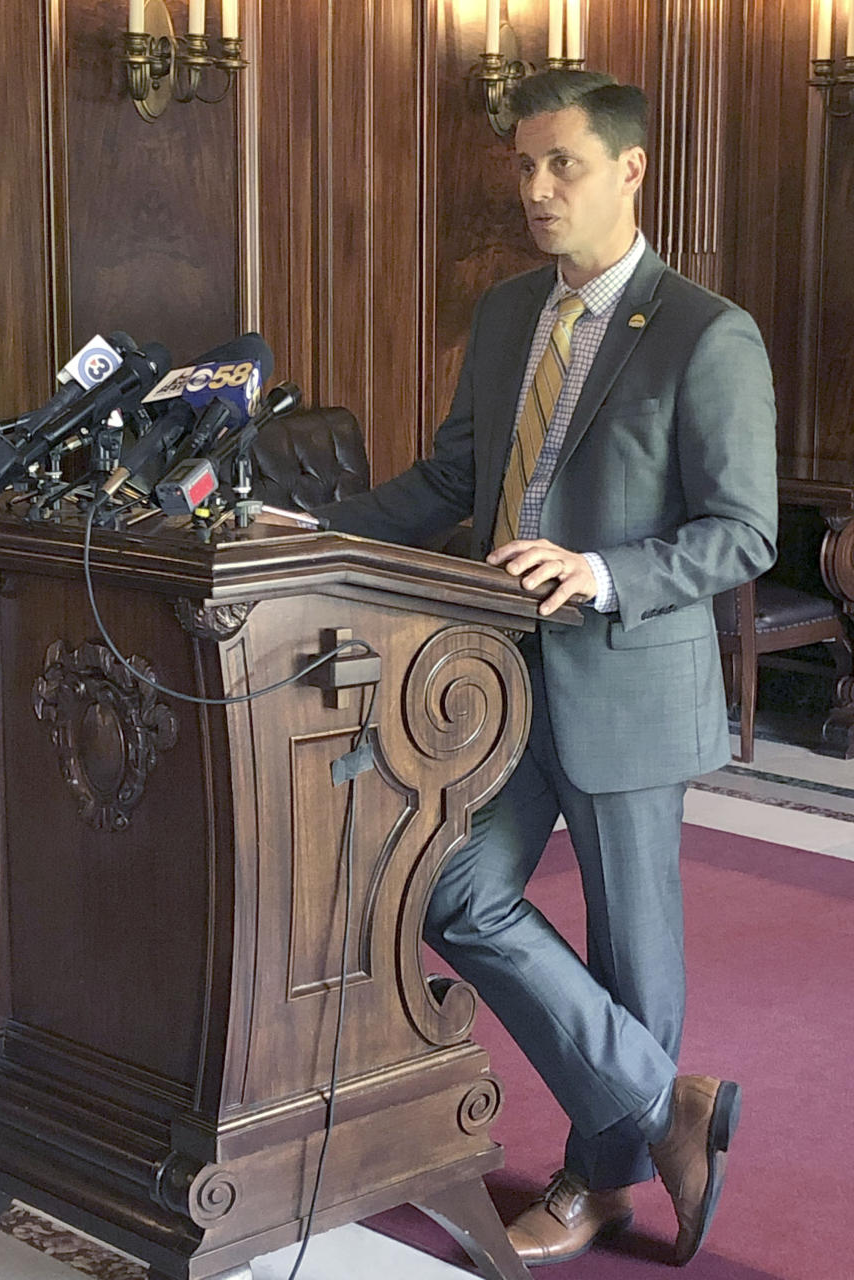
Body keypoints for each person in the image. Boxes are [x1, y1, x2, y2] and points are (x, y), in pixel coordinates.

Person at [314, 69, 778, 1267]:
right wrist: (316, 533)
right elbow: (452, 482)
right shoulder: (512, 313)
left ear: (630, 170)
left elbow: (744, 531)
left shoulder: (706, 331)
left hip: (627, 676)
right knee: (446, 887)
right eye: (523, 165)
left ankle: (596, 1180)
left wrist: (604, 568)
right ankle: (663, 1103)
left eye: (561, 163)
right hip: (499, 682)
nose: (535, 187)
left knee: (633, 949)